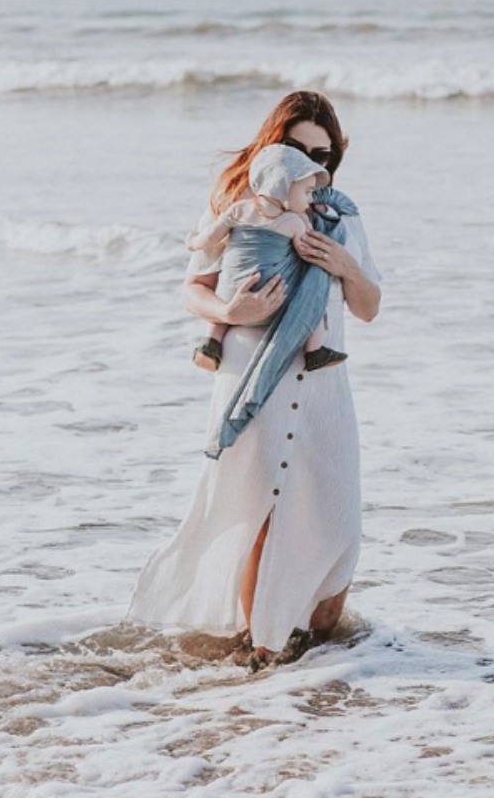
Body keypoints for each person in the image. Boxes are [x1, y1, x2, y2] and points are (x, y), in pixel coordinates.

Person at [124, 90, 383, 673]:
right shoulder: (235, 201)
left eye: (325, 153)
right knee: (258, 511)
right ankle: (263, 655)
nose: (311, 161)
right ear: (272, 143)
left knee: (337, 525)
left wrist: (341, 265)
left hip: (322, 383)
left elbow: (368, 307)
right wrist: (231, 314)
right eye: (296, 146)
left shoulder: (342, 216)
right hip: (249, 374)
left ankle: (317, 646)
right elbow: (193, 285)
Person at [186, 142, 349, 376]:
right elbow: (306, 253)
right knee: (315, 297)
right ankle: (315, 350)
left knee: (227, 285)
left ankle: (211, 343)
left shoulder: (238, 210)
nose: (309, 200)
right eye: (306, 192)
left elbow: (210, 238)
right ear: (282, 185)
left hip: (235, 302)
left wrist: (193, 242)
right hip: (274, 303)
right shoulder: (292, 222)